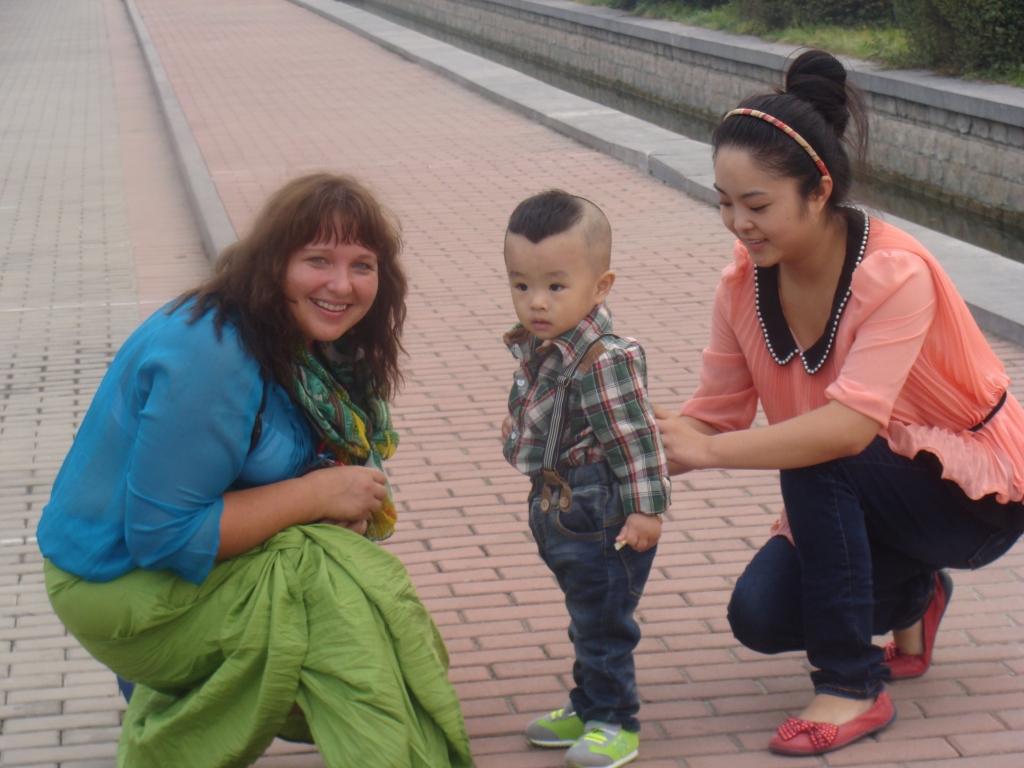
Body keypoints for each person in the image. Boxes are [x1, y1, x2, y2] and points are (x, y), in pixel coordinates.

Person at [655, 49, 1024, 756]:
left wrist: (709, 451)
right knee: (760, 617)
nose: (737, 222)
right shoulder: (741, 286)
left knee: (822, 451)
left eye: (756, 204)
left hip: (975, 498)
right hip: (875, 488)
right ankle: (916, 595)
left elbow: (850, 428)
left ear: (817, 190)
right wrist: (648, 437)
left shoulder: (894, 273)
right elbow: (718, 412)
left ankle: (851, 686)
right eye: (724, 202)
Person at [37, 173, 472, 767]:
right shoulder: (213, 354)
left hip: (175, 570)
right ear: (273, 264)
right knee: (340, 605)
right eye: (317, 259)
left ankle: (177, 715)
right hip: (114, 586)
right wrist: (318, 494)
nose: (341, 285)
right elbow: (164, 536)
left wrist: (333, 503)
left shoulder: (308, 344)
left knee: (339, 583)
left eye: (362, 265)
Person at [500, 190, 670, 768]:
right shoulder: (545, 347)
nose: (536, 302)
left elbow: (636, 439)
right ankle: (587, 702)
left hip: (603, 513)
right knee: (586, 613)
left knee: (603, 621)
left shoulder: (605, 357)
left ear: (600, 286)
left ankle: (614, 720)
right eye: (521, 285)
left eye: (555, 285)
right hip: (560, 507)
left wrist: (647, 510)